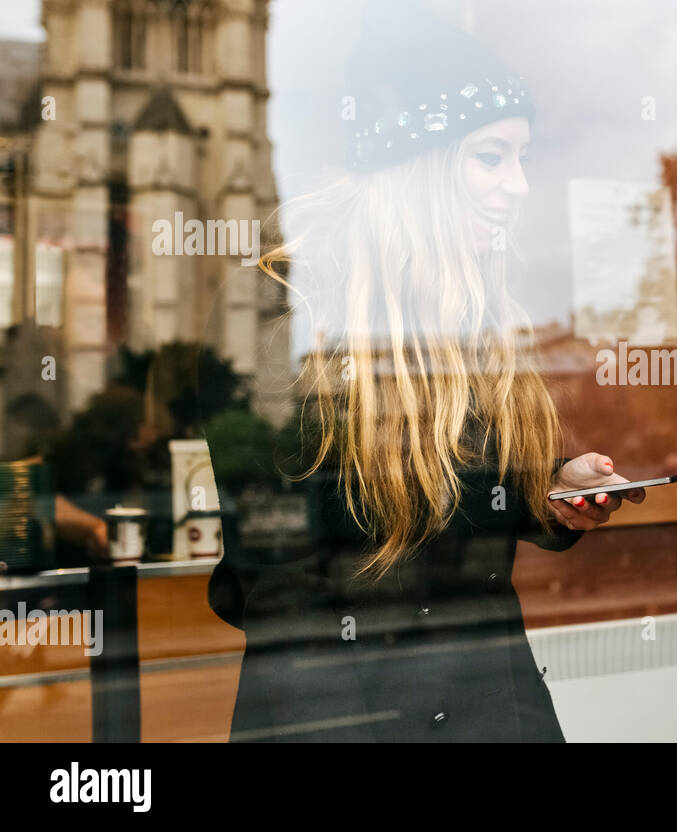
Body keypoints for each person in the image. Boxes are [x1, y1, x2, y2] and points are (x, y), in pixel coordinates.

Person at [204, 8, 642, 741]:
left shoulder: (476, 314)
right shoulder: (284, 317)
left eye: (523, 158)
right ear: (421, 164)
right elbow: (283, 586)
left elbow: (471, 490)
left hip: (495, 707)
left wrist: (552, 490)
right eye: (491, 156)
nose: (519, 185)